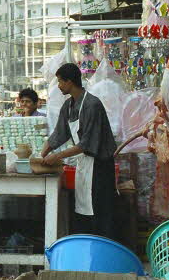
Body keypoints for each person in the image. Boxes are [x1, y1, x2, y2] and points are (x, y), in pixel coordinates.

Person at [40, 63, 117, 238]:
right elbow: (59, 133)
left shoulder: (92, 105)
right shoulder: (68, 106)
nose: (59, 86)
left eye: (60, 81)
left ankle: (103, 257)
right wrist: (42, 154)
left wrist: (56, 156)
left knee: (100, 214)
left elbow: (86, 144)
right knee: (84, 213)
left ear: (70, 82)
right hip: (84, 165)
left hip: (99, 167)